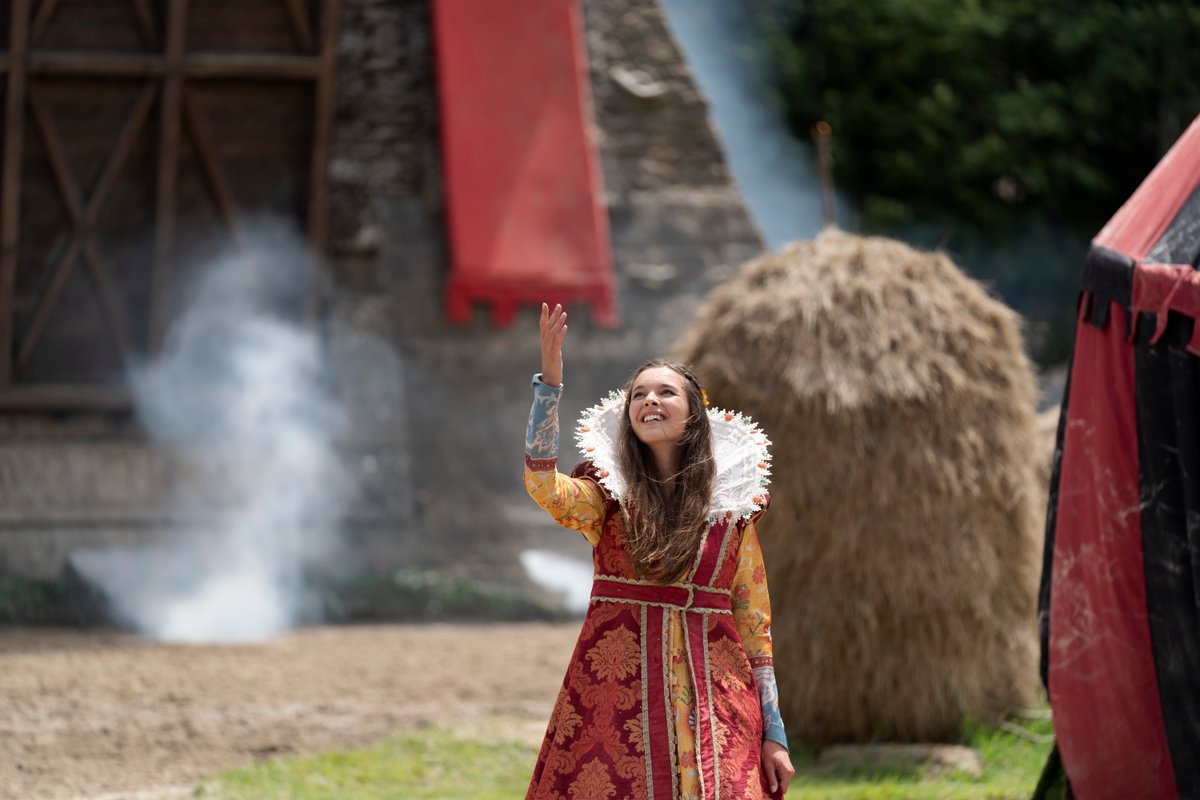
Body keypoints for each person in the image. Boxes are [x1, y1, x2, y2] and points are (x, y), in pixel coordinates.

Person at [524, 303, 795, 799]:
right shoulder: (606, 498)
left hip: (721, 706)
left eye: (665, 392)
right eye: (639, 394)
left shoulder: (733, 509)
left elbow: (755, 627)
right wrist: (550, 386)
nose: (649, 399)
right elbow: (543, 485)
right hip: (616, 704)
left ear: (693, 413)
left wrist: (774, 734)